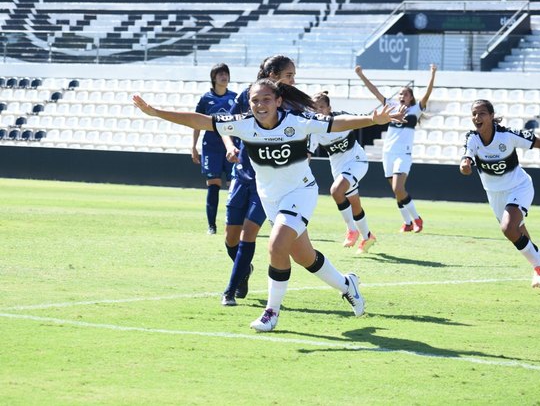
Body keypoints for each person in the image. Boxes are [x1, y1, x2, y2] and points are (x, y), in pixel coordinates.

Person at [133, 79, 407, 332]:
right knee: (304, 257)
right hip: (270, 198)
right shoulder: (244, 124)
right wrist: (157, 112)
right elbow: (202, 120)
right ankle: (348, 285)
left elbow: (336, 123)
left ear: (278, 101)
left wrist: (373, 118)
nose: (260, 105)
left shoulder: (298, 121)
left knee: (276, 246)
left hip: (300, 191)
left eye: (266, 99)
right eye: (255, 101)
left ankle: (271, 313)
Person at [220, 55, 296, 306]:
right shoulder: (247, 95)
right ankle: (244, 271)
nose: (293, 80)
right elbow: (225, 125)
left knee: (248, 234)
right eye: (289, 75)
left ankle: (229, 291)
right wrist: (230, 146)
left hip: (269, 182)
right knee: (230, 238)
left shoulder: (290, 102)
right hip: (242, 175)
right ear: (273, 74)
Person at [459, 99, 540, 285]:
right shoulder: (472, 138)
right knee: (518, 231)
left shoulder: (508, 135)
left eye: (482, 113)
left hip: (519, 187)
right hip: (494, 195)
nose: (477, 117)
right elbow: (466, 157)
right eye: (474, 114)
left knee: (509, 228)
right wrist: (465, 165)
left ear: (492, 116)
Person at [355, 64, 437, 233]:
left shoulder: (416, 109)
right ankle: (407, 223)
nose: (402, 96)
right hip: (388, 153)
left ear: (411, 97)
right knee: (397, 192)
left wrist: (432, 74)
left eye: (405, 94)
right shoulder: (391, 105)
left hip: (403, 153)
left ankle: (416, 219)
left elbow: (427, 93)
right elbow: (374, 91)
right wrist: (360, 75)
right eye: (400, 93)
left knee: (398, 189)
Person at [309, 91, 376, 254]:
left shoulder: (340, 119)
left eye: (322, 107)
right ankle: (367, 236)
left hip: (357, 161)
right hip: (338, 167)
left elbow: (363, 119)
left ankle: (351, 230)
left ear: (329, 108)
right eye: (314, 108)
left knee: (336, 191)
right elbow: (308, 154)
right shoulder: (314, 128)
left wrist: (378, 117)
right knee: (355, 204)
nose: (318, 111)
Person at [192, 63, 238, 235]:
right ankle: (212, 226)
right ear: (214, 77)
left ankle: (234, 223)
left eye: (226, 73)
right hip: (211, 145)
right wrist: (193, 146)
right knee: (214, 184)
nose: (224, 76)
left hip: (231, 145)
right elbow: (196, 122)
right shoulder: (205, 99)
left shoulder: (235, 97)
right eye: (220, 74)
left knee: (234, 185)